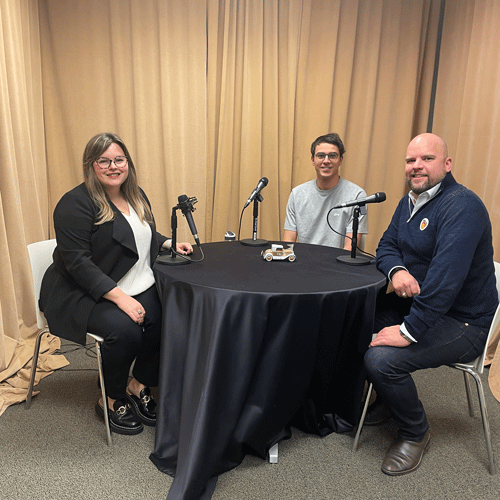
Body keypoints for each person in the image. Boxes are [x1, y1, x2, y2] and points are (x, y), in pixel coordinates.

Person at [39, 132, 193, 435]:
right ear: (91, 165)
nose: (113, 166)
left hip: (132, 281)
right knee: (125, 331)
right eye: (104, 161)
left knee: (167, 319)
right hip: (80, 290)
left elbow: (140, 234)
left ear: (128, 163)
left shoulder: (136, 195)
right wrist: (121, 299)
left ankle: (138, 384)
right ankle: (111, 397)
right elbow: (78, 263)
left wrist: (167, 244)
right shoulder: (73, 205)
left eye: (118, 159)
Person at [364, 133, 498, 475]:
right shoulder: (410, 200)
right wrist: (396, 272)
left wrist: (409, 332)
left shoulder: (462, 206)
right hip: (426, 306)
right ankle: (388, 400)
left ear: (447, 164)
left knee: (381, 359)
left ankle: (415, 432)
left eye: (426, 159)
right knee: (356, 319)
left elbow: (445, 282)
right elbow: (386, 245)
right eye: (411, 161)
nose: (416, 167)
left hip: (464, 322)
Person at [283, 133, 368, 250]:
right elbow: (288, 243)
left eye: (332, 156)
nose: (326, 161)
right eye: (321, 156)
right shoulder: (297, 194)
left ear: (340, 160)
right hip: (305, 264)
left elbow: (349, 249)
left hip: (338, 264)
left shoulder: (357, 196)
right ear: (313, 160)